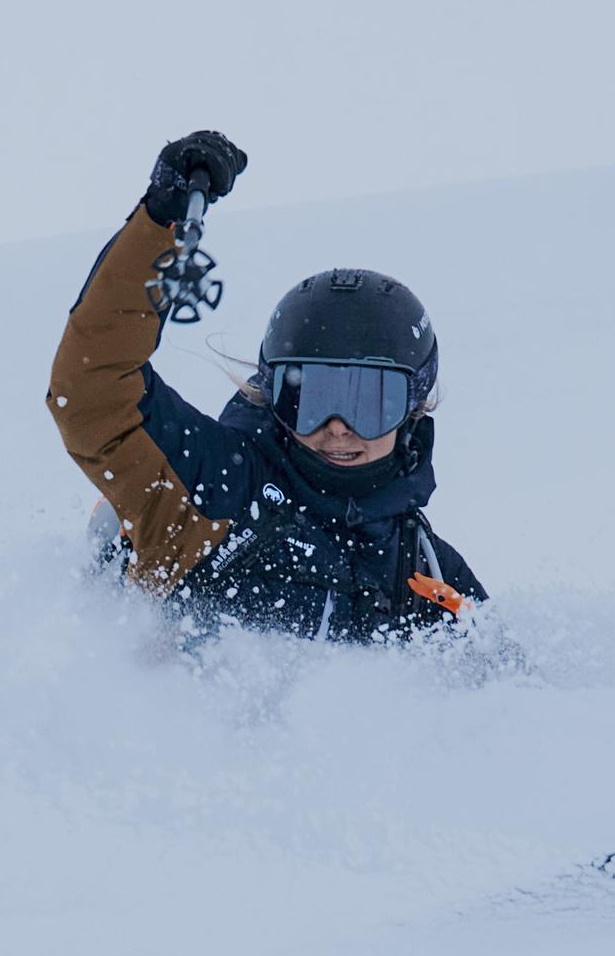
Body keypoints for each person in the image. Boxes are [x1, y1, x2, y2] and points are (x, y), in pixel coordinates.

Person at [47, 132, 486, 641]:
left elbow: (508, 684)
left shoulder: (426, 571)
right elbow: (93, 390)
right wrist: (163, 217)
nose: (337, 427)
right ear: (273, 396)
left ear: (412, 408)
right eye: (309, 399)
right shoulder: (215, 489)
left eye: (368, 403)